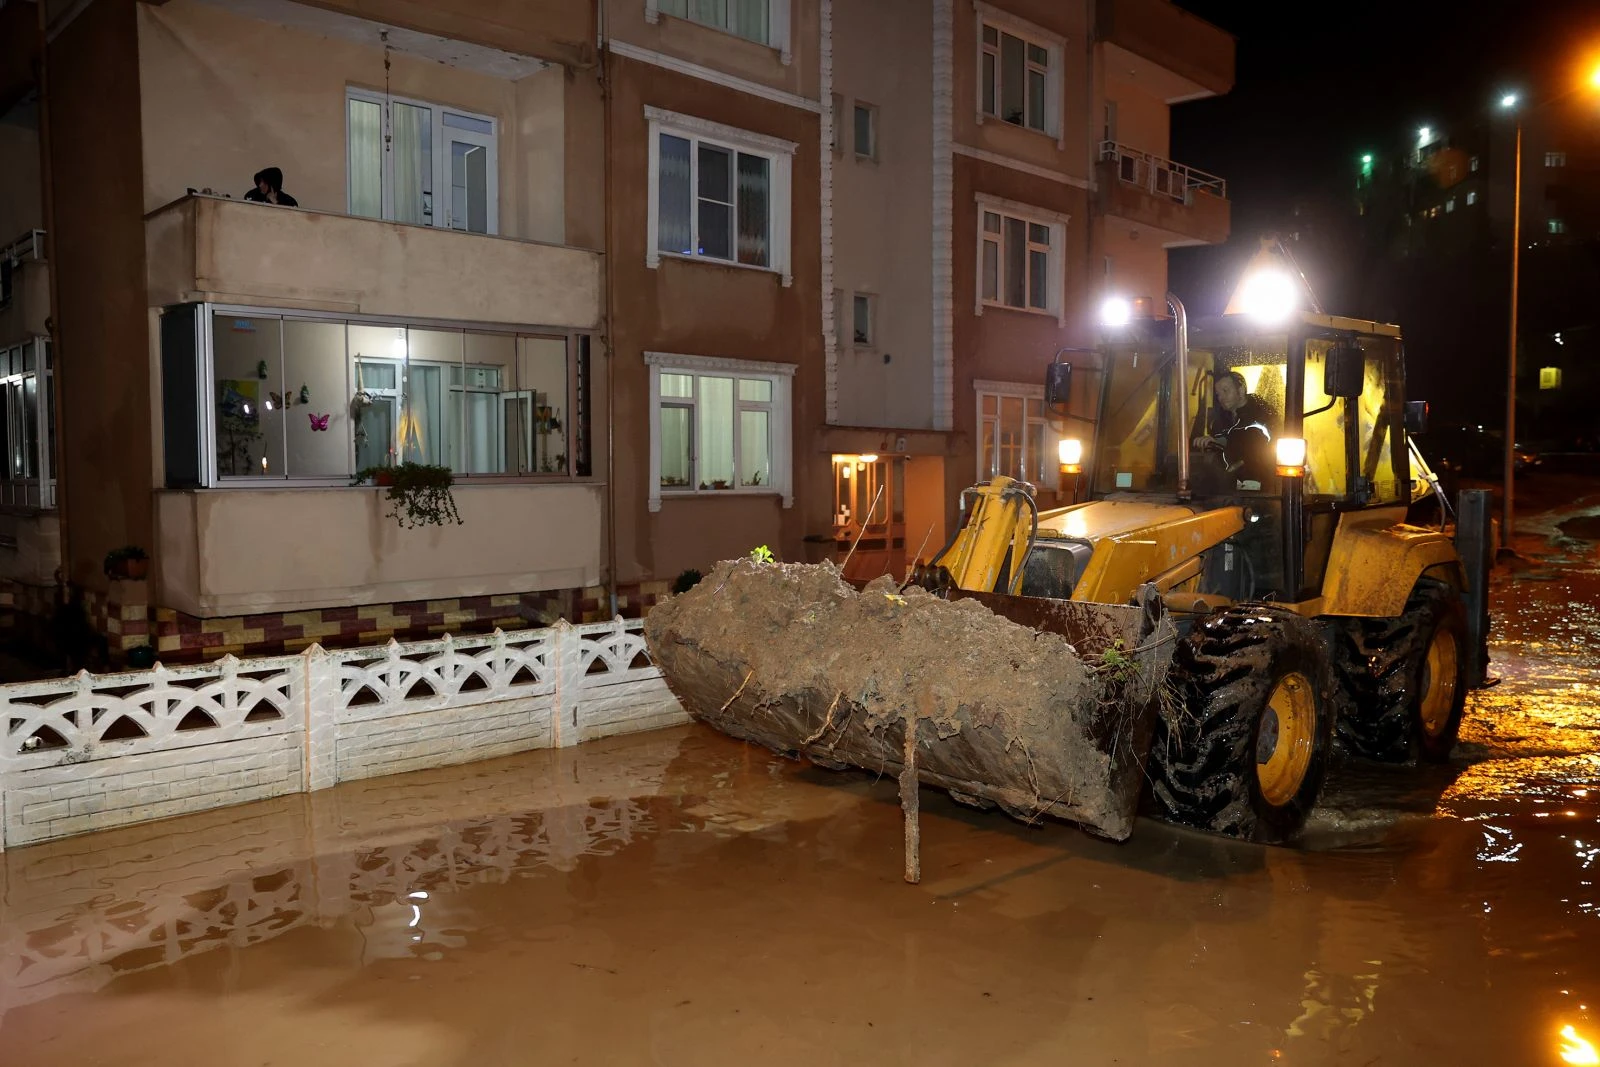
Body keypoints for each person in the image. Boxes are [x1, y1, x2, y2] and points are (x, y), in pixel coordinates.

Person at [1193, 369, 1276, 483]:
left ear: (1241, 391)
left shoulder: (1261, 416)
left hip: (1258, 485)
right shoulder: (1219, 421)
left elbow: (1256, 446)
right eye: (1218, 394)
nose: (1221, 398)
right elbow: (1219, 445)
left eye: (1225, 391)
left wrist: (1220, 442)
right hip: (1226, 486)